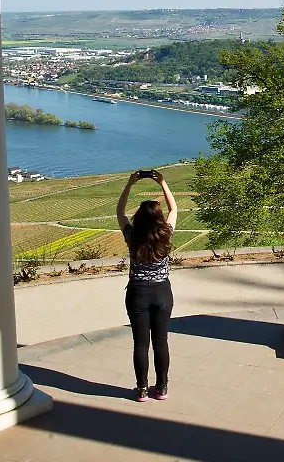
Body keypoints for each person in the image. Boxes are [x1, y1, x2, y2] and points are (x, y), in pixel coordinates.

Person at [116, 169, 178, 402]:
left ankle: (142, 389)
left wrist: (130, 183)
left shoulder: (132, 236)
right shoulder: (166, 234)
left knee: (140, 343)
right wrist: (162, 182)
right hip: (162, 292)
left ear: (139, 219)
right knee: (161, 341)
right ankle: (161, 388)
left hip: (137, 294)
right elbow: (174, 209)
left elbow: (120, 211)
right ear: (159, 220)